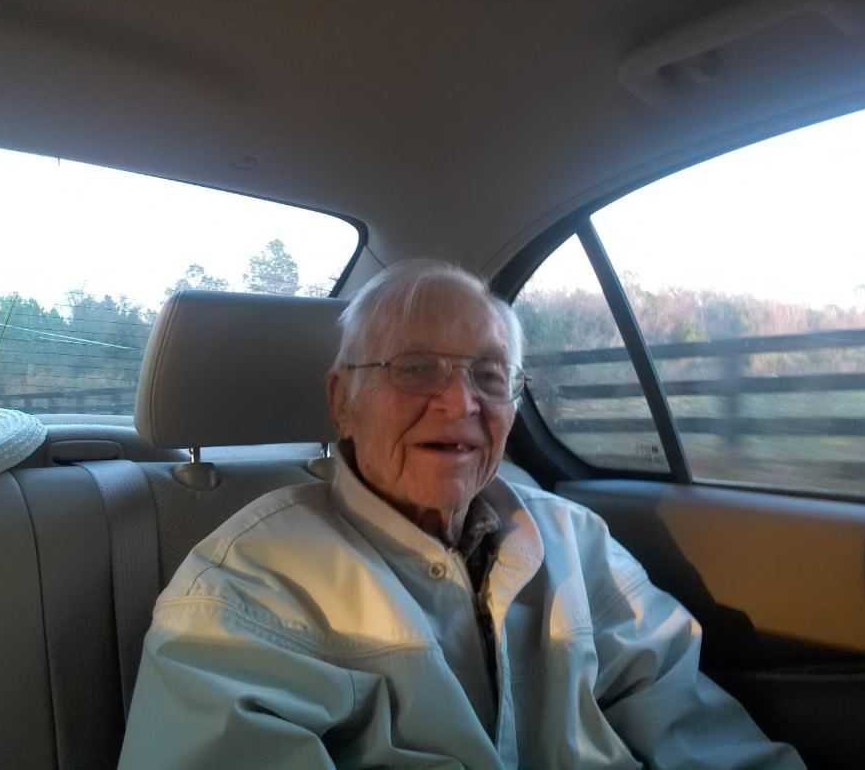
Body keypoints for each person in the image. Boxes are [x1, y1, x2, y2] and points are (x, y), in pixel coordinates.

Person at [119, 259, 805, 769]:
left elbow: (694, 729)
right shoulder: (242, 593)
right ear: (341, 400)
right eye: (416, 368)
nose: (459, 402)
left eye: (489, 374)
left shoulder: (575, 539)